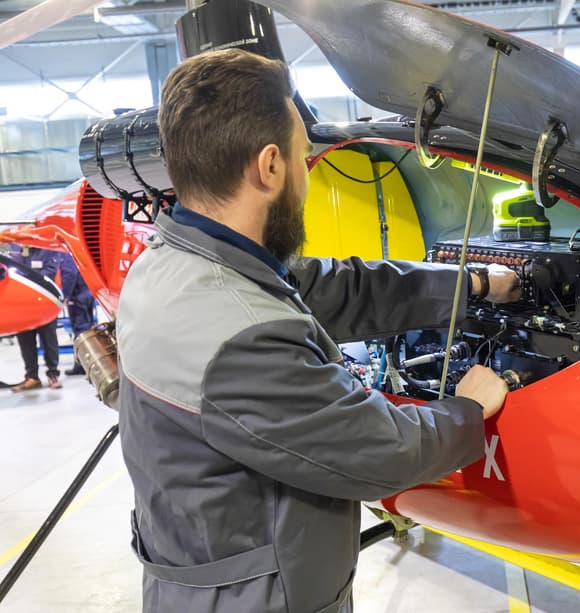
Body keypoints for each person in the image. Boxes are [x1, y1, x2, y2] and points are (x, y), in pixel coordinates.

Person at [117, 48, 521, 613]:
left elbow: (340, 287)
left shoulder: (173, 265)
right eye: (305, 159)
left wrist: (475, 284)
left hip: (201, 574)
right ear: (270, 167)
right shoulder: (239, 338)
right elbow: (383, 451)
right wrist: (467, 412)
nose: (306, 180)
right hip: (257, 599)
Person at [10, 245, 63, 392]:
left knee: (49, 340)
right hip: (21, 305)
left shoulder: (47, 248)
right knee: (25, 341)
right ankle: (32, 377)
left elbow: (49, 273)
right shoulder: (15, 249)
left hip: (44, 303)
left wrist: (24, 281)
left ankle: (53, 374)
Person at [59, 254, 96, 375]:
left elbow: (70, 273)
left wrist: (65, 295)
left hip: (77, 295)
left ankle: (83, 365)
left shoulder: (67, 252)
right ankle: (89, 363)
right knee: (88, 329)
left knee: (80, 331)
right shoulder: (78, 252)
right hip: (87, 292)